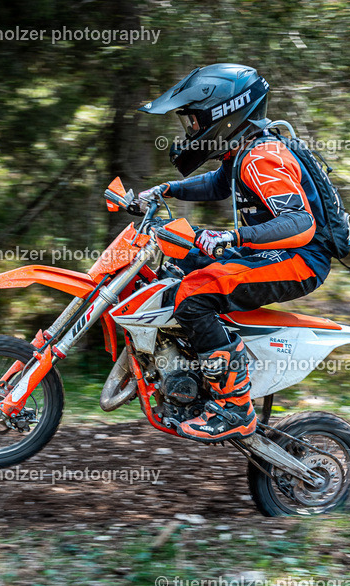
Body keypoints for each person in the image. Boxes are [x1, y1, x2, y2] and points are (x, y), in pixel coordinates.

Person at [136, 63, 335, 443]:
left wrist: (233, 237)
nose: (190, 132)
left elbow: (299, 223)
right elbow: (217, 183)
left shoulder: (263, 157)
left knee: (195, 294)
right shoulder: (244, 151)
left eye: (193, 123)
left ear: (224, 115)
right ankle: (195, 374)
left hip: (300, 259)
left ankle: (234, 407)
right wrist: (168, 190)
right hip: (275, 254)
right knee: (182, 259)